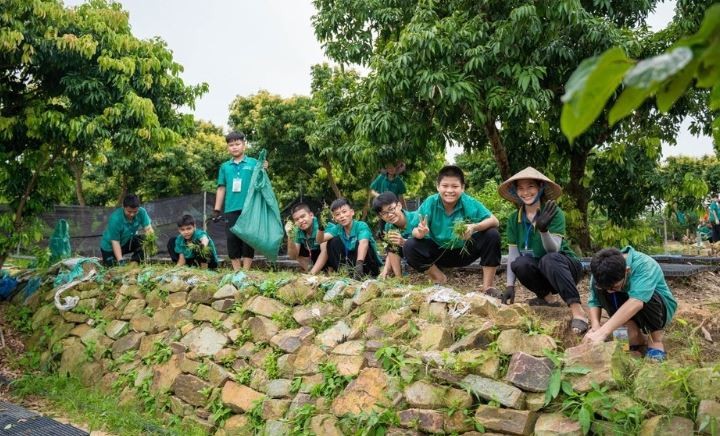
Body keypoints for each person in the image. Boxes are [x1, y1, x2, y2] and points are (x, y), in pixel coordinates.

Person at [497, 167, 589, 334]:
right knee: (520, 263)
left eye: (530, 186)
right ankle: (547, 298)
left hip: (565, 268)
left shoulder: (554, 213)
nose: (526, 192)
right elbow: (513, 255)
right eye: (521, 188)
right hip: (540, 271)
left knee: (549, 259)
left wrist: (543, 230)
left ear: (540, 188)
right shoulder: (513, 219)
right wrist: (510, 286)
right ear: (516, 191)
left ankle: (578, 311)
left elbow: (553, 250)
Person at [404, 165, 501, 295]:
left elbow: (495, 221)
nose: (449, 190)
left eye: (455, 186)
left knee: (492, 234)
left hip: (464, 251)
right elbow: (414, 230)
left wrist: (473, 227)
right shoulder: (430, 202)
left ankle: (488, 288)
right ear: (438, 186)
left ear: (462, 188)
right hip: (438, 253)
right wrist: (420, 233)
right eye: (445, 186)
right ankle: (439, 278)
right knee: (410, 245)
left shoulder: (468, 202)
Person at [585, 247, 678, 361]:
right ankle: (639, 338)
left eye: (614, 287)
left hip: (657, 310)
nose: (609, 291)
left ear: (627, 271)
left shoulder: (644, 265)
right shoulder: (600, 271)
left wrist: (602, 333)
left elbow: (636, 302)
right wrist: (596, 327)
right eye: (607, 288)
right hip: (626, 311)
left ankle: (655, 340)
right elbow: (594, 300)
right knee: (629, 340)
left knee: (645, 295)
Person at [213, 131, 261, 271]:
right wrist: (216, 209)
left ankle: (245, 272)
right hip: (230, 209)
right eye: (231, 145)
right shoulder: (225, 167)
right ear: (228, 147)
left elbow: (261, 182)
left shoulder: (253, 163)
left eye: (237, 144)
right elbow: (221, 188)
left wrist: (264, 167)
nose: (234, 147)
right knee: (232, 239)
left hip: (249, 208)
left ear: (244, 145)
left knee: (248, 240)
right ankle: (236, 271)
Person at [317, 198, 382, 279]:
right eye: (337, 214)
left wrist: (359, 264)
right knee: (332, 242)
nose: (341, 216)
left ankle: (367, 274)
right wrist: (320, 228)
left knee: (361, 243)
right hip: (351, 264)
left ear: (352, 212)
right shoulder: (338, 228)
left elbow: (363, 243)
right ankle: (344, 273)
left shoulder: (361, 225)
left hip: (367, 264)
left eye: (344, 212)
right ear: (334, 218)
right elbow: (320, 240)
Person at [372, 192, 420, 279]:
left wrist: (404, 242)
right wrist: (386, 268)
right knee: (391, 241)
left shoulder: (416, 218)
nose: (389, 215)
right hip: (410, 258)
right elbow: (390, 249)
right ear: (381, 216)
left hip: (427, 255)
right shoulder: (388, 226)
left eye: (391, 209)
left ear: (399, 206)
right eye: (384, 213)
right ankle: (399, 278)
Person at [99, 194, 154, 266]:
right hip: (110, 247)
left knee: (144, 240)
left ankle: (134, 262)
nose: (132, 214)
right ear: (123, 207)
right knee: (113, 268)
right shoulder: (115, 219)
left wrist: (151, 240)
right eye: (129, 211)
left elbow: (148, 228)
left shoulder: (141, 212)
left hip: (126, 242)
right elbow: (115, 242)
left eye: (135, 211)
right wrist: (120, 260)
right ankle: (115, 261)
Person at [285, 203, 328, 274]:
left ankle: (320, 271)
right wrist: (289, 235)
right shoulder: (296, 230)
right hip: (312, 256)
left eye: (303, 216)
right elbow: (293, 256)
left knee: (330, 244)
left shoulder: (321, 224)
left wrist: (311, 274)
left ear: (311, 215)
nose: (301, 221)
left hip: (328, 256)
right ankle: (311, 270)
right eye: (297, 219)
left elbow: (325, 251)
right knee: (297, 248)